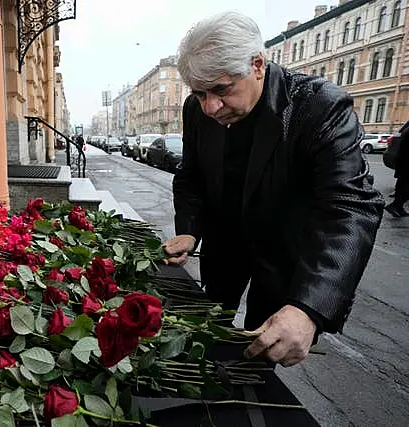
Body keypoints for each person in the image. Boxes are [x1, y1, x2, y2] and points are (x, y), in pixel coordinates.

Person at [163, 11, 384, 367]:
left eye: (221, 89)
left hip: (282, 258)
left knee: (262, 353)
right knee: (205, 334)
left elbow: (351, 207)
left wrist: (308, 308)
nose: (211, 108)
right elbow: (191, 175)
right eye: (200, 93)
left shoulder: (318, 106)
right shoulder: (197, 109)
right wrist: (189, 231)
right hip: (223, 252)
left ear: (257, 65)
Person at [384, 123, 409, 217]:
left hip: (403, 161)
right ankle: (396, 206)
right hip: (406, 162)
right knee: (405, 185)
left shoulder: (406, 129)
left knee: (403, 184)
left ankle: (397, 206)